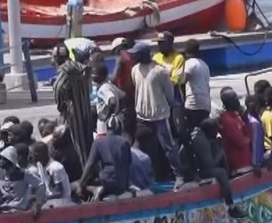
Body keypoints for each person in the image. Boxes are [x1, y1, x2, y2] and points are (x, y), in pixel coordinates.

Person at [130, 43, 180, 182]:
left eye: (136, 54)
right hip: (142, 117)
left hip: (160, 117)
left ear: (144, 55)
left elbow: (170, 94)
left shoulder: (160, 71)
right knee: (146, 149)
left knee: (168, 147)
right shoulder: (134, 70)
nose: (133, 56)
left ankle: (178, 175)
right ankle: (151, 175)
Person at [181, 119, 246, 218]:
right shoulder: (201, 141)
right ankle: (231, 206)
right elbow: (209, 165)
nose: (217, 133)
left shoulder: (203, 136)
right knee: (221, 172)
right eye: (216, 130)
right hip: (191, 173)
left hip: (195, 168)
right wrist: (220, 153)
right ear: (210, 130)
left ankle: (229, 181)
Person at [53, 42, 96, 166]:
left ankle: (81, 169)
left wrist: (62, 105)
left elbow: (58, 88)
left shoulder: (64, 70)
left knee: (75, 143)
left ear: (57, 59)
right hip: (85, 110)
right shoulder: (80, 67)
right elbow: (89, 89)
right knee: (86, 141)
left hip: (72, 115)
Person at [77, 131, 132, 201]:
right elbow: (128, 165)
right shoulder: (125, 142)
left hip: (106, 183)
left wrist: (80, 184)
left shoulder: (98, 143)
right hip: (121, 185)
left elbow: (90, 164)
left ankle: (96, 190)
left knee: (78, 184)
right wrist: (125, 186)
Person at [217, 88, 255, 175]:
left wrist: (246, 121)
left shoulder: (236, 117)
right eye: (235, 100)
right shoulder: (228, 121)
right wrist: (249, 138)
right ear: (230, 103)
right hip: (240, 165)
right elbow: (241, 142)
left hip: (246, 161)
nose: (238, 102)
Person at [181, 39, 212, 133]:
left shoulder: (189, 63)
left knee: (192, 132)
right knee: (203, 132)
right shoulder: (205, 65)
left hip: (193, 104)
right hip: (206, 104)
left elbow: (183, 82)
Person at [90, 62, 125, 137]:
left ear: (102, 76)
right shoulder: (109, 85)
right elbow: (123, 95)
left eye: (94, 74)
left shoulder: (104, 88)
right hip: (115, 122)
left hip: (104, 126)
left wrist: (106, 115)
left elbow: (112, 101)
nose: (92, 76)